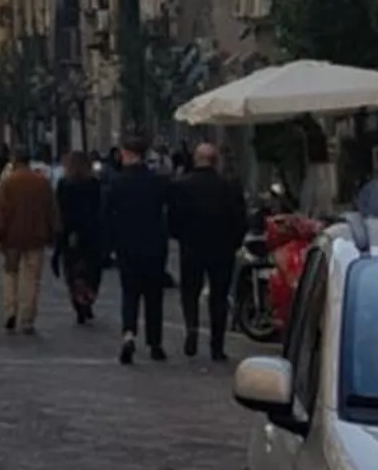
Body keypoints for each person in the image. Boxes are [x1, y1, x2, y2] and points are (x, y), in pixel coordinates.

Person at [172, 140, 247, 362]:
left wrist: (182, 237)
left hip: (192, 247)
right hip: (221, 249)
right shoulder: (229, 186)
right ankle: (217, 345)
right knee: (219, 298)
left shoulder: (181, 186)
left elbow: (173, 220)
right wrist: (234, 242)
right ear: (216, 162)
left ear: (196, 160)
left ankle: (192, 328)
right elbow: (239, 220)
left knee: (189, 292)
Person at [105, 134, 173, 364]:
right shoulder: (158, 182)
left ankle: (129, 333)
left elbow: (106, 215)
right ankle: (155, 343)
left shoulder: (116, 182)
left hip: (127, 246)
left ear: (128, 154)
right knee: (154, 296)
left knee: (130, 293)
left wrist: (111, 243)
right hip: (154, 246)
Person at [0, 147, 59, 336]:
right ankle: (27, 317)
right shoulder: (42, 183)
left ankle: (10, 310)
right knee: (32, 278)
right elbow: (52, 209)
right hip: (36, 236)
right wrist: (54, 232)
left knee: (10, 274)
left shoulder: (8, 183)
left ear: (14, 160)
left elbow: (1, 212)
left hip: (12, 237)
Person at [55, 150, 104, 324]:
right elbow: (100, 209)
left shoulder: (63, 184)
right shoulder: (94, 184)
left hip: (71, 234)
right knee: (92, 270)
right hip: (91, 233)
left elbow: (60, 210)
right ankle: (88, 299)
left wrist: (60, 236)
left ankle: (78, 302)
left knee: (73, 271)